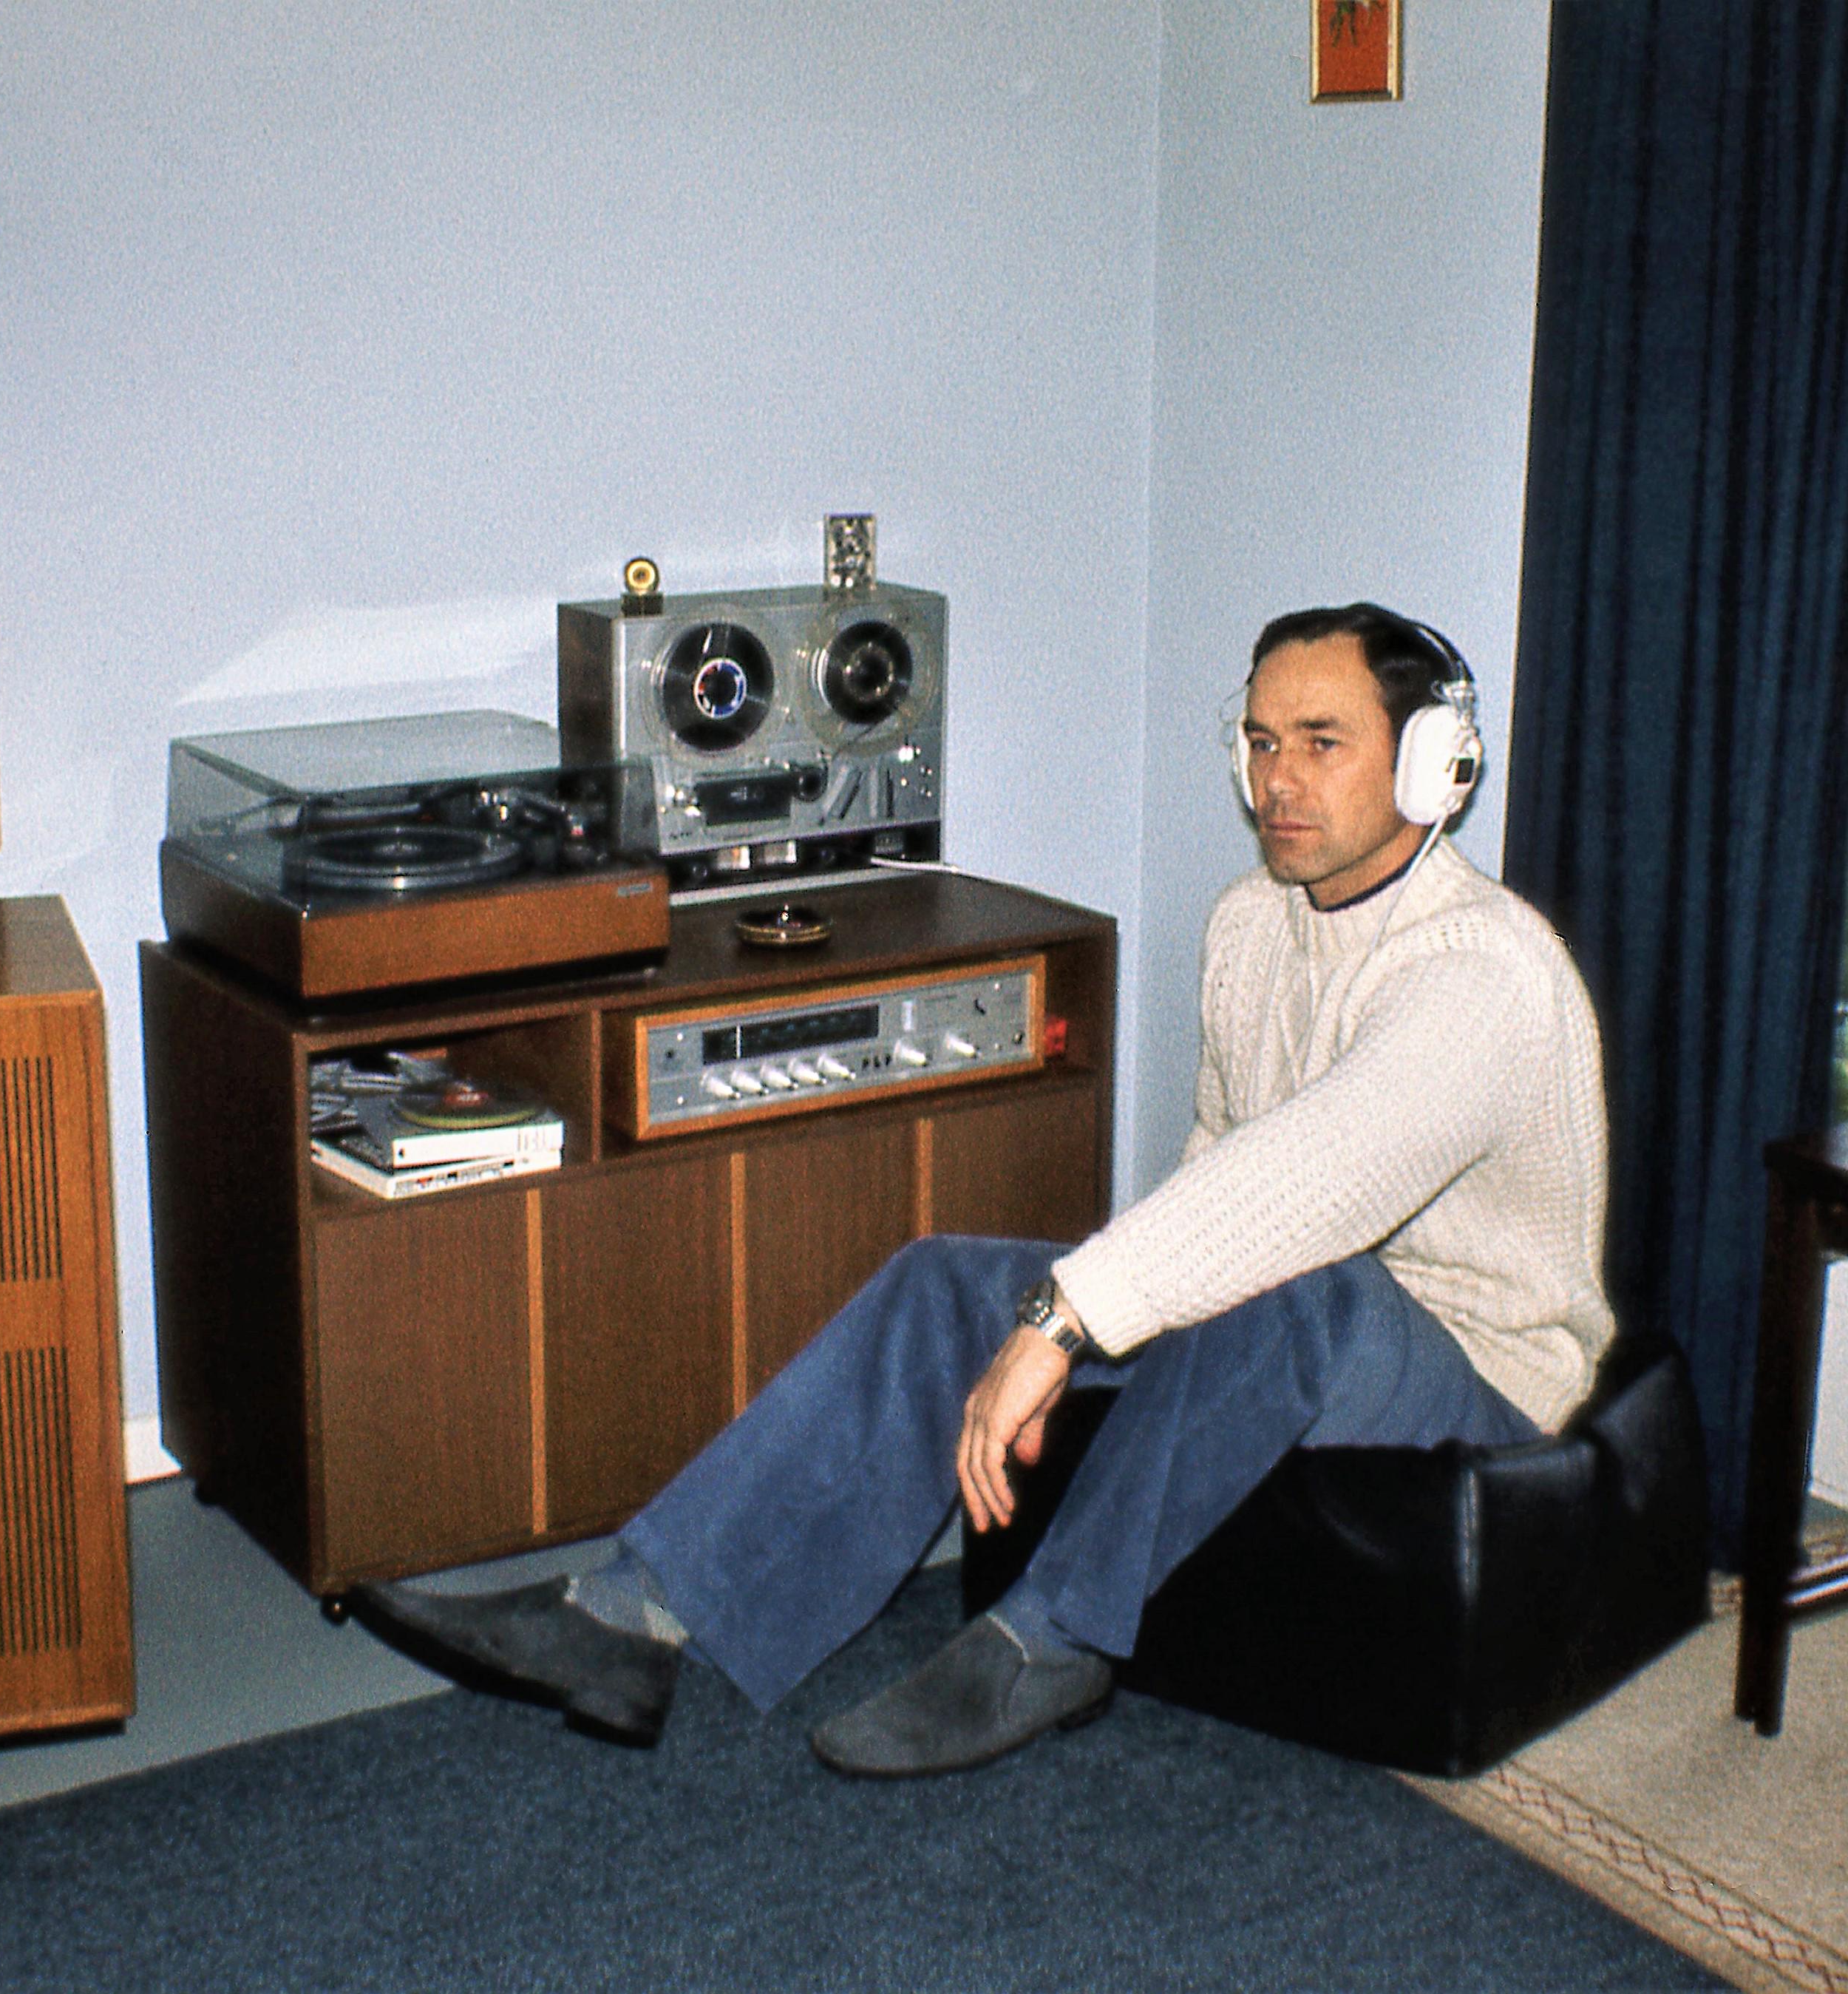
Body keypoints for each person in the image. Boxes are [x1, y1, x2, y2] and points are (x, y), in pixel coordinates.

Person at [350, 602, 1613, 1777]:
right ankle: (628, 1616)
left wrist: (1065, 1322)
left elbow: (1313, 1179)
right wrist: (1053, 1320)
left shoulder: (1480, 974)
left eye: (1323, 743)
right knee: (952, 1284)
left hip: (1471, 1362)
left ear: (1430, 761)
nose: (1279, 780)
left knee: (1297, 1287)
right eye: (1262, 742)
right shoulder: (1250, 923)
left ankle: (1050, 1642)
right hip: (1292, 1321)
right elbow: (1217, 1170)